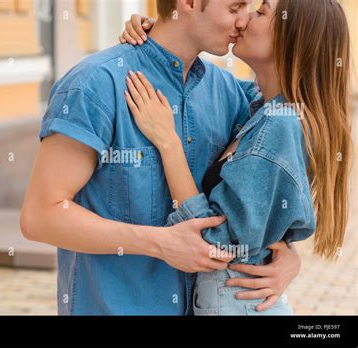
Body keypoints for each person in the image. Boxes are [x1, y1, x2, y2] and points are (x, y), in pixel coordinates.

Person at [20, 0, 303, 315]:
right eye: (234, 8)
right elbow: (40, 216)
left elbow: (263, 188)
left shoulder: (231, 96)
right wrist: (159, 243)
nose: (243, 20)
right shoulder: (96, 84)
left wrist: (287, 255)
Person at [120, 0, 352, 314]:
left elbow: (218, 246)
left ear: (292, 36)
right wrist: (161, 32)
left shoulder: (279, 125)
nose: (243, 20)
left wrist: (167, 142)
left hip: (236, 302)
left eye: (260, 12)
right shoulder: (262, 107)